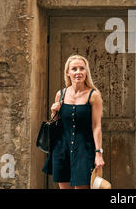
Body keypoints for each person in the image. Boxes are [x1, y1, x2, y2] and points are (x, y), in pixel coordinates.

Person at [42, 54, 105, 189]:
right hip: (61, 149)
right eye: (74, 69)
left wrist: (98, 153)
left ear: (86, 72)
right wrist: (54, 112)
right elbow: (57, 123)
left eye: (82, 69)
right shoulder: (61, 94)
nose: (78, 72)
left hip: (84, 150)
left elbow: (96, 126)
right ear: (68, 72)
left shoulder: (93, 95)